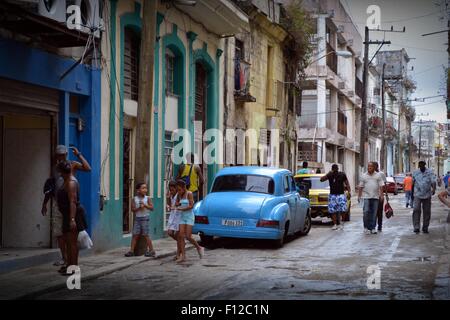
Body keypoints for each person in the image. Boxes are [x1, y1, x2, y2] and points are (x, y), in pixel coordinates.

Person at [41, 145, 91, 267]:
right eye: (59, 155)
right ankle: (66, 260)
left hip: (70, 208)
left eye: (63, 155)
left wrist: (78, 154)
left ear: (66, 155)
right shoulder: (55, 169)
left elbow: (87, 168)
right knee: (61, 234)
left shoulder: (71, 167)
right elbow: (50, 187)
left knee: (71, 239)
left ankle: (72, 265)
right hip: (60, 206)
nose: (61, 157)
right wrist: (45, 203)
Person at [55, 161, 87, 274]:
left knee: (72, 243)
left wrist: (72, 219)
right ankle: (69, 265)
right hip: (67, 215)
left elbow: (72, 201)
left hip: (73, 215)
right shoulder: (66, 181)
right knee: (68, 242)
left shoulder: (71, 183)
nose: (59, 174)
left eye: (59, 172)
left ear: (63, 172)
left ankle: (73, 268)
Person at [175, 179, 204, 264]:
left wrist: (181, 208)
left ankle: (199, 247)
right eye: (177, 190)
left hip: (189, 217)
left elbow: (191, 206)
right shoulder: (178, 195)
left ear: (184, 188)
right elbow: (178, 203)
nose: (178, 191)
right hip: (182, 217)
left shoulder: (189, 194)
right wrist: (176, 205)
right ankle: (183, 256)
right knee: (180, 235)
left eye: (179, 189)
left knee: (188, 236)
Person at [125, 183, 156, 257]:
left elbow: (152, 208)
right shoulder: (134, 199)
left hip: (145, 218)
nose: (145, 190)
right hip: (137, 219)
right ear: (138, 190)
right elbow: (133, 210)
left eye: (146, 188)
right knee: (135, 235)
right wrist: (139, 208)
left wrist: (144, 205)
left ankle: (152, 250)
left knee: (146, 235)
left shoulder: (147, 198)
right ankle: (131, 251)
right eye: (143, 188)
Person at [320, 164, 351, 230]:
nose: (335, 170)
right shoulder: (330, 175)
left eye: (335, 169)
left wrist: (349, 191)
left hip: (338, 195)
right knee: (335, 210)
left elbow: (346, 183)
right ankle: (337, 224)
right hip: (335, 195)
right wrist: (349, 191)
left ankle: (338, 224)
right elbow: (321, 179)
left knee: (340, 210)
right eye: (334, 169)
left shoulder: (342, 174)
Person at [358, 162, 385, 235]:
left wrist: (382, 195)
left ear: (374, 167)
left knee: (374, 213)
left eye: (371, 167)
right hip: (366, 196)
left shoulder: (378, 175)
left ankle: (373, 228)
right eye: (368, 167)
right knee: (366, 211)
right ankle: (366, 227)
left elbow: (381, 186)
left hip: (375, 197)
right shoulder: (364, 176)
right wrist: (359, 196)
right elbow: (360, 186)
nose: (369, 168)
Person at [412, 161, 436, 234]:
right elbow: (413, 183)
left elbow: (433, 181)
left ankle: (425, 227)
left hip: (427, 194)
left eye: (422, 166)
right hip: (417, 194)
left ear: (425, 165)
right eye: (420, 166)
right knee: (416, 209)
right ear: (419, 166)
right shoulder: (415, 172)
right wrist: (411, 194)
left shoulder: (430, 172)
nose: (421, 167)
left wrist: (434, 189)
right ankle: (416, 227)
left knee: (427, 211)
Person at [166, 180, 181, 260]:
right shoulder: (171, 196)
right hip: (172, 216)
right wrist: (168, 198)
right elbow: (169, 205)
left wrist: (175, 206)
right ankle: (182, 243)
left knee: (178, 235)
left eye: (172, 190)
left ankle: (178, 254)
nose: (171, 191)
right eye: (170, 190)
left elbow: (180, 205)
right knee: (170, 232)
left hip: (178, 216)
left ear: (176, 189)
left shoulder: (179, 195)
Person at [373, 162, 387, 232]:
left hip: (379, 196)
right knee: (373, 212)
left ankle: (380, 226)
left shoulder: (381, 174)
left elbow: (385, 185)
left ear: (377, 166)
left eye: (374, 166)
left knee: (379, 212)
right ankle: (373, 225)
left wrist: (386, 195)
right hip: (372, 196)